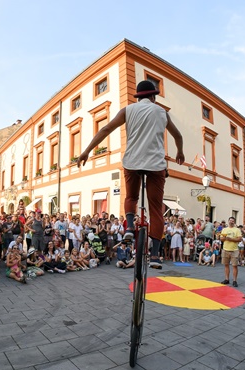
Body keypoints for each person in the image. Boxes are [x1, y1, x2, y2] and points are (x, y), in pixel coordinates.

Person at [78, 80, 184, 270]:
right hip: (155, 165)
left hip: (132, 162)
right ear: (153, 97)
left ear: (139, 97)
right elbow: (178, 136)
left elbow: (105, 129)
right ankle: (154, 255)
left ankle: (128, 227)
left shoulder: (128, 110)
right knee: (156, 209)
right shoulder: (161, 112)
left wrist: (87, 151)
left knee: (131, 197)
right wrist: (180, 152)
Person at [220, 217, 242, 287]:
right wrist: (224, 238)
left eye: (232, 221)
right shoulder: (224, 229)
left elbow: (239, 239)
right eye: (230, 220)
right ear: (228, 221)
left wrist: (231, 239)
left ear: (234, 222)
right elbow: (221, 238)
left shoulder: (237, 230)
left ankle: (235, 280)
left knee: (234, 265)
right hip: (225, 249)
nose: (231, 222)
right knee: (226, 265)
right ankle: (227, 279)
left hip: (234, 250)